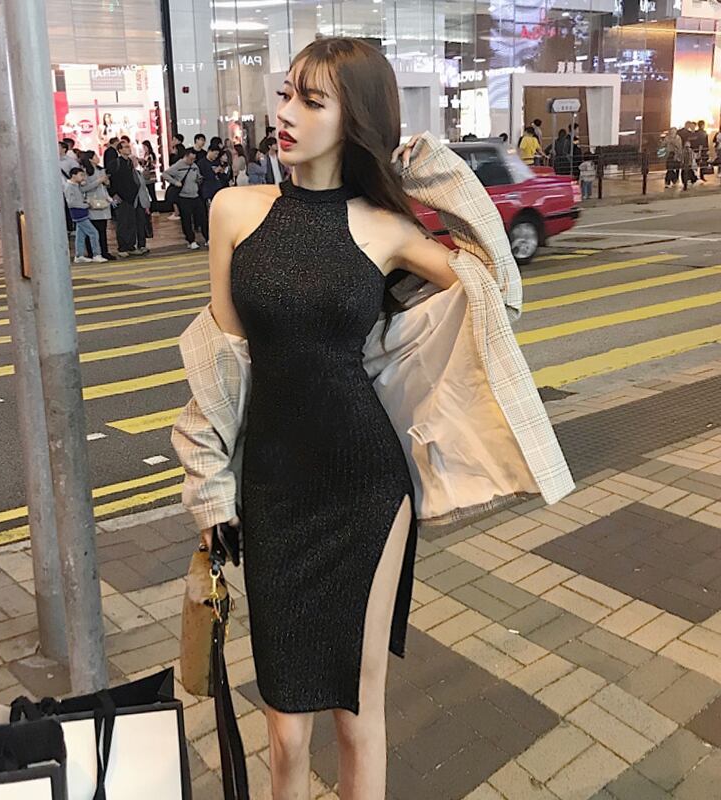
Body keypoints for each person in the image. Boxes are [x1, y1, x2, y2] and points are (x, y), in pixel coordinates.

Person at [172, 36, 572, 800]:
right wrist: (210, 489)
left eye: (312, 99)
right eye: (287, 93)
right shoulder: (234, 211)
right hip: (273, 491)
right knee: (285, 732)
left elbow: (499, 291)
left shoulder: (386, 230)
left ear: (353, 119)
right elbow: (220, 371)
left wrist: (436, 173)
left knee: (358, 712)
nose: (286, 112)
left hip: (365, 489)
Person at [107, 139, 148, 257]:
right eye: (125, 147)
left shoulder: (130, 162)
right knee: (122, 223)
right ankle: (122, 247)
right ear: (119, 150)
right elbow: (111, 180)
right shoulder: (116, 163)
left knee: (131, 222)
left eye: (128, 147)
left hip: (132, 198)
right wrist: (113, 194)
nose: (128, 149)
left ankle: (131, 246)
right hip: (121, 197)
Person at [162, 148, 208, 249]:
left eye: (194, 159)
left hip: (195, 195)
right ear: (186, 157)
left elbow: (198, 176)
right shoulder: (178, 165)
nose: (192, 161)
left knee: (202, 218)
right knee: (186, 220)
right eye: (191, 159)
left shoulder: (194, 166)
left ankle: (207, 238)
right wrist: (175, 182)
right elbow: (165, 174)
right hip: (184, 197)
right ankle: (191, 240)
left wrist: (199, 179)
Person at [64, 167, 107, 264]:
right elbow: (71, 203)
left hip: (81, 213)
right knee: (94, 233)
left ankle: (79, 255)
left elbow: (86, 188)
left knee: (81, 235)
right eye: (81, 175)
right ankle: (96, 254)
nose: (83, 178)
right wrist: (86, 205)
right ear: (73, 175)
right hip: (78, 213)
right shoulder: (69, 187)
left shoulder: (76, 185)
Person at [80, 150, 115, 261]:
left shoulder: (101, 170)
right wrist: (98, 181)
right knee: (93, 229)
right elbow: (83, 188)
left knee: (102, 229)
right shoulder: (85, 172)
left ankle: (104, 251)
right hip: (93, 203)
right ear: (90, 159)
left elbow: (106, 186)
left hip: (103, 201)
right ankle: (93, 252)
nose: (97, 158)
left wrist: (106, 182)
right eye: (95, 156)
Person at [197, 145, 226, 212]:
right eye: (215, 154)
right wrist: (214, 172)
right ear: (209, 151)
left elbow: (222, 177)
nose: (216, 156)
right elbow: (203, 177)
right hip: (208, 191)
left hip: (218, 189)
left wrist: (222, 172)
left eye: (217, 154)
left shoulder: (217, 162)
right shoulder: (201, 163)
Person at [141, 139, 158, 205]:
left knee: (152, 191)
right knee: (149, 191)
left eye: (145, 147)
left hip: (150, 175)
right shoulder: (146, 154)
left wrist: (144, 162)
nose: (144, 149)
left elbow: (151, 164)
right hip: (146, 174)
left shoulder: (151, 154)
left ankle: (155, 205)